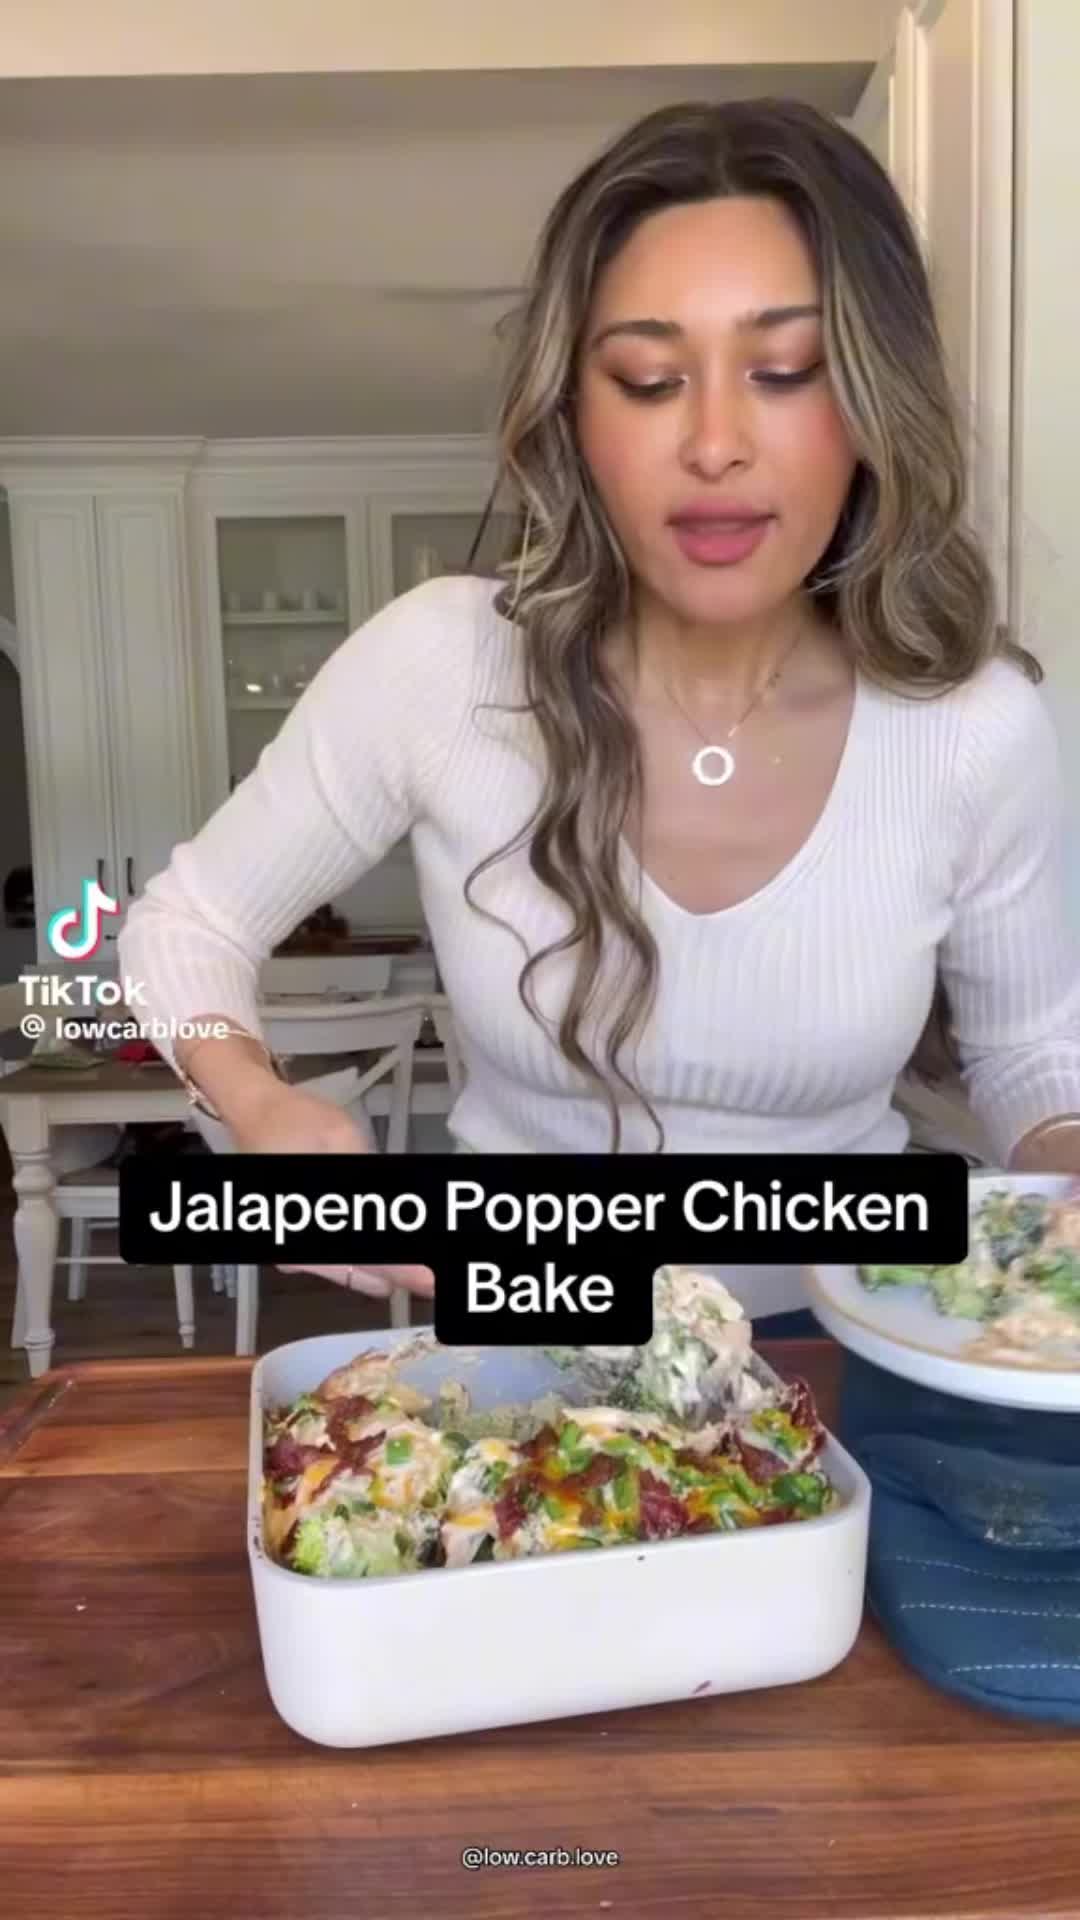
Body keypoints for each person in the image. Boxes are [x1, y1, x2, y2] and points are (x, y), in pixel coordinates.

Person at [119, 98, 1080, 1314]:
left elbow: (1032, 1056)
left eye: (785, 372)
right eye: (648, 377)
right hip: (525, 1356)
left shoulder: (972, 726)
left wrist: (1063, 1162)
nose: (717, 441)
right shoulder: (443, 665)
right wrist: (254, 1104)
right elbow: (184, 923)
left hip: (851, 1355)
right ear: (574, 418)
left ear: (873, 410)